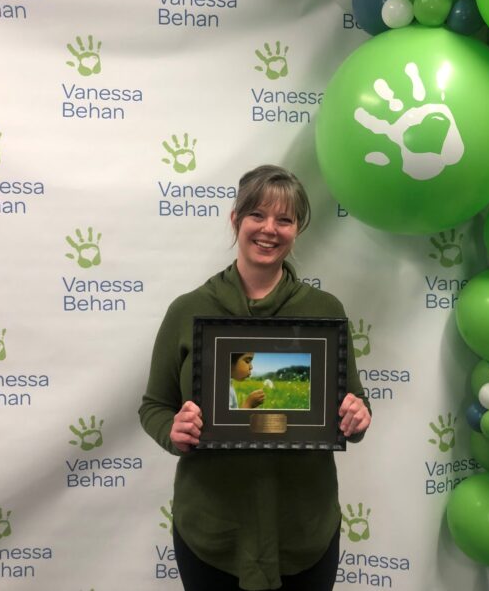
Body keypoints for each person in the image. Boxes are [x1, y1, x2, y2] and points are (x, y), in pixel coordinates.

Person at [139, 164, 372, 591]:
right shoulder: (188, 310)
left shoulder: (325, 310)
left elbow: (353, 404)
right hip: (212, 530)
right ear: (235, 220)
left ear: (297, 229)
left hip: (305, 530)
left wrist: (357, 416)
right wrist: (173, 430)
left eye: (284, 219)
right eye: (257, 215)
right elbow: (154, 405)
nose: (270, 229)